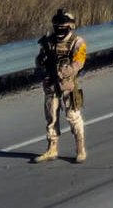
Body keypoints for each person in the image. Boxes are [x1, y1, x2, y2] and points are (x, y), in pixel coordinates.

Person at [32, 9, 88, 164]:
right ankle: (52, 148)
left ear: (70, 26)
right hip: (50, 84)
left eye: (62, 25)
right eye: (57, 25)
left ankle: (80, 149)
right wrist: (42, 61)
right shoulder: (49, 42)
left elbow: (79, 63)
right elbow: (38, 61)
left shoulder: (77, 42)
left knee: (73, 116)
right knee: (51, 117)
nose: (59, 29)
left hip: (67, 84)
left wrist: (63, 71)